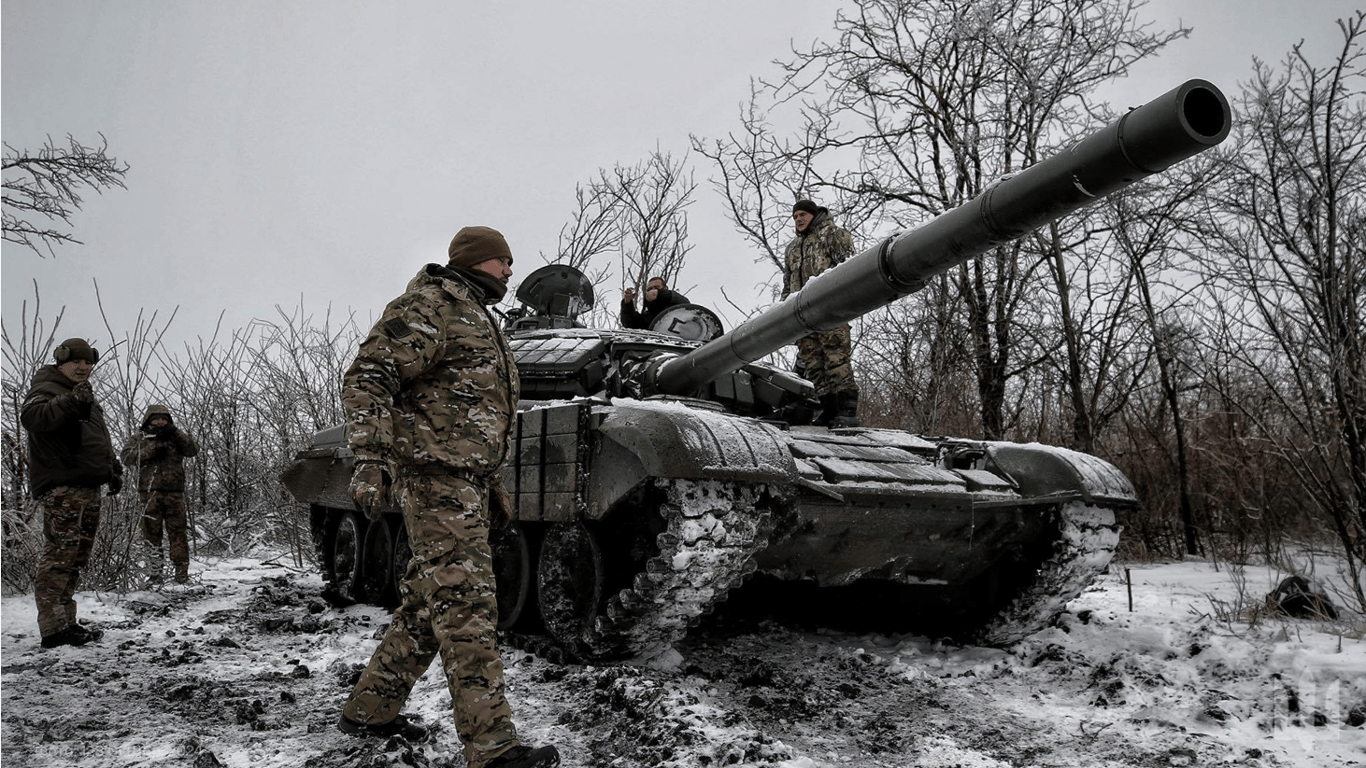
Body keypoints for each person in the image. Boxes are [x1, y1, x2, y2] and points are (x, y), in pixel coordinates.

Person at [337, 226, 560, 768]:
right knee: (467, 608)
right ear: (479, 261)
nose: (511, 271)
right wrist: (370, 456)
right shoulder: (432, 305)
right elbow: (368, 376)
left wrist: (492, 486)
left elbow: (475, 416)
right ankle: (492, 748)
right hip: (436, 478)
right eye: (504, 261)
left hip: (466, 482)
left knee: (425, 603)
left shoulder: (477, 315)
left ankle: (370, 709)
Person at [20, 337, 123, 649]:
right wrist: (69, 403)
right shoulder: (47, 389)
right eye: (76, 361)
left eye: (88, 362)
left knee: (76, 556)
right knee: (59, 555)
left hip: (87, 484)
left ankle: (66, 622)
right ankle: (53, 629)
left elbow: (94, 439)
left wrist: (112, 468)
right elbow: (33, 418)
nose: (83, 367)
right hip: (62, 486)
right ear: (60, 362)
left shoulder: (82, 396)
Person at [783, 199, 860, 426]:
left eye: (803, 215)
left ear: (814, 215)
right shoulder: (792, 249)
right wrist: (785, 313)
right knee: (813, 364)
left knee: (836, 358)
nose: (798, 220)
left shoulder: (833, 234)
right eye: (795, 216)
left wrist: (847, 303)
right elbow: (787, 284)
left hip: (832, 309)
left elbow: (851, 269)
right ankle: (829, 410)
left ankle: (847, 412)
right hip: (803, 314)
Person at [121, 405, 199, 584]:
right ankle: (155, 574)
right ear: (149, 420)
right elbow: (126, 458)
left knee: (178, 534)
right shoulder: (140, 438)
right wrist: (152, 450)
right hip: (149, 495)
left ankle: (181, 573)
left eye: (164, 418)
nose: (160, 422)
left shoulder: (175, 437)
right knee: (151, 535)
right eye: (156, 418)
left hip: (174, 494)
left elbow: (193, 450)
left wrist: (176, 432)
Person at [620, 275, 690, 330]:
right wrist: (627, 303)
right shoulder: (649, 316)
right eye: (650, 289)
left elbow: (686, 304)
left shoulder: (675, 303)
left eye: (656, 287)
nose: (652, 291)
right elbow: (630, 323)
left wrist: (659, 295)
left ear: (665, 288)